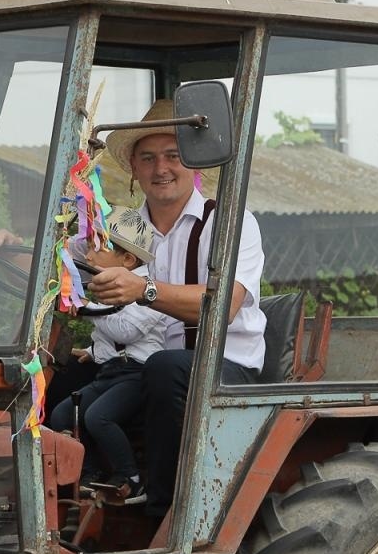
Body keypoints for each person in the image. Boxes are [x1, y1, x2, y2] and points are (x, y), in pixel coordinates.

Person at [83, 99, 265, 514]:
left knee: (165, 366)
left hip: (227, 366)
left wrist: (141, 289)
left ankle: (162, 509)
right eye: (147, 158)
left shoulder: (230, 222)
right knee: (62, 380)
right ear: (132, 166)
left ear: (195, 163)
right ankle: (80, 496)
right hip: (153, 364)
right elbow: (74, 256)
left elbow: (225, 307)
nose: (160, 168)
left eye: (173, 156)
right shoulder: (128, 227)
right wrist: (8, 248)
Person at [45, 207, 164, 503]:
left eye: (98, 248)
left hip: (137, 374)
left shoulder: (148, 291)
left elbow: (125, 331)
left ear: (127, 259)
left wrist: (85, 308)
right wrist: (92, 350)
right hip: (110, 372)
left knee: (98, 416)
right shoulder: (107, 284)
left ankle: (132, 478)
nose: (90, 254)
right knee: (61, 413)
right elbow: (108, 338)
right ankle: (89, 474)